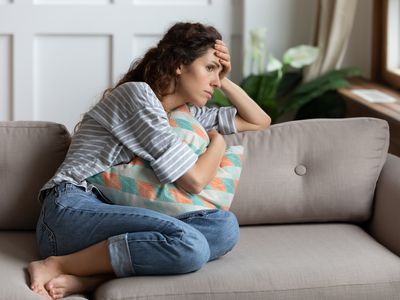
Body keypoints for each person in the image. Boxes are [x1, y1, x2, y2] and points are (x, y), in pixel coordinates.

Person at [27, 22, 271, 299]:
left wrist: (224, 78)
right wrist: (219, 142)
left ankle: (93, 277)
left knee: (223, 228)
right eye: (209, 68)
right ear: (180, 64)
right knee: (190, 245)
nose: (214, 81)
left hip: (112, 213)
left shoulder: (184, 114)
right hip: (70, 210)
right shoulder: (138, 96)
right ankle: (57, 264)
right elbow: (194, 181)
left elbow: (260, 121)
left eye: (218, 72)